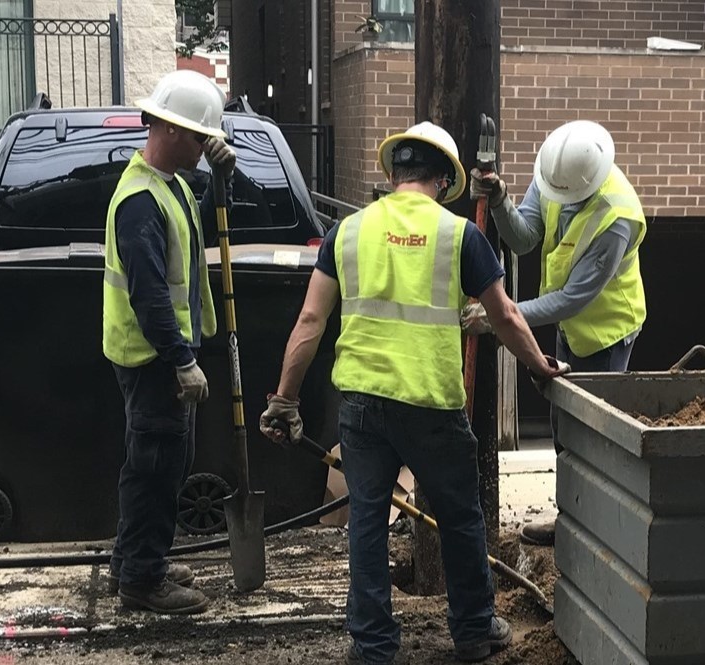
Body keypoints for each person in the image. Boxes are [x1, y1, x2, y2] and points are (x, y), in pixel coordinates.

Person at [257, 122, 568, 664]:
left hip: (362, 407)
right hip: (431, 406)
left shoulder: (348, 232)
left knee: (368, 523)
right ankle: (473, 630)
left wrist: (284, 400)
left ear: (393, 174)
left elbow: (310, 319)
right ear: (445, 180)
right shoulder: (457, 235)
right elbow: (507, 316)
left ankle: (374, 646)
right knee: (461, 519)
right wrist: (541, 368)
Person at [466, 120, 646, 547]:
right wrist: (499, 201)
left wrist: (498, 314)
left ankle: (594, 531)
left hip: (605, 334)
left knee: (595, 438)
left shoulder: (616, 218)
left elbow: (572, 299)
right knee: (563, 429)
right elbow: (524, 238)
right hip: (571, 328)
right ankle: (570, 519)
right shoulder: (555, 175)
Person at [100, 69, 237, 615]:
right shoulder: (139, 201)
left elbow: (194, 235)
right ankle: (142, 580)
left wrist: (222, 184)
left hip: (160, 356)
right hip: (154, 359)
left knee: (153, 464)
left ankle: (133, 558)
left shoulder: (170, 186)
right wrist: (182, 361)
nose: (209, 147)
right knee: (157, 467)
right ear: (177, 131)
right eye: (204, 137)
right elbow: (150, 293)